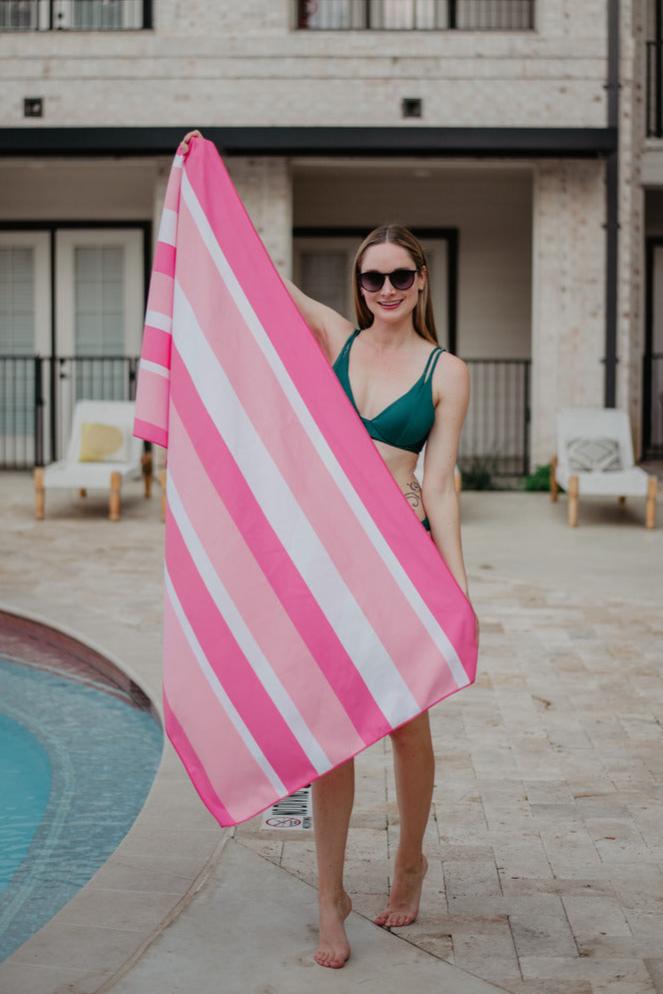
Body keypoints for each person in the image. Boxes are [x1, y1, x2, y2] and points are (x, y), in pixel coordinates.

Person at [178, 130, 479, 970]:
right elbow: (257, 276)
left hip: (404, 561)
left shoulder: (446, 371)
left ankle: (409, 863)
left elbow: (443, 482)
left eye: (398, 275)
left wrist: (456, 591)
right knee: (335, 735)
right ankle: (329, 902)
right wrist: (202, 176)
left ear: (421, 281)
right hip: (335, 563)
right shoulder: (336, 341)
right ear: (360, 284)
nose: (383, 287)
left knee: (408, 730)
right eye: (370, 276)